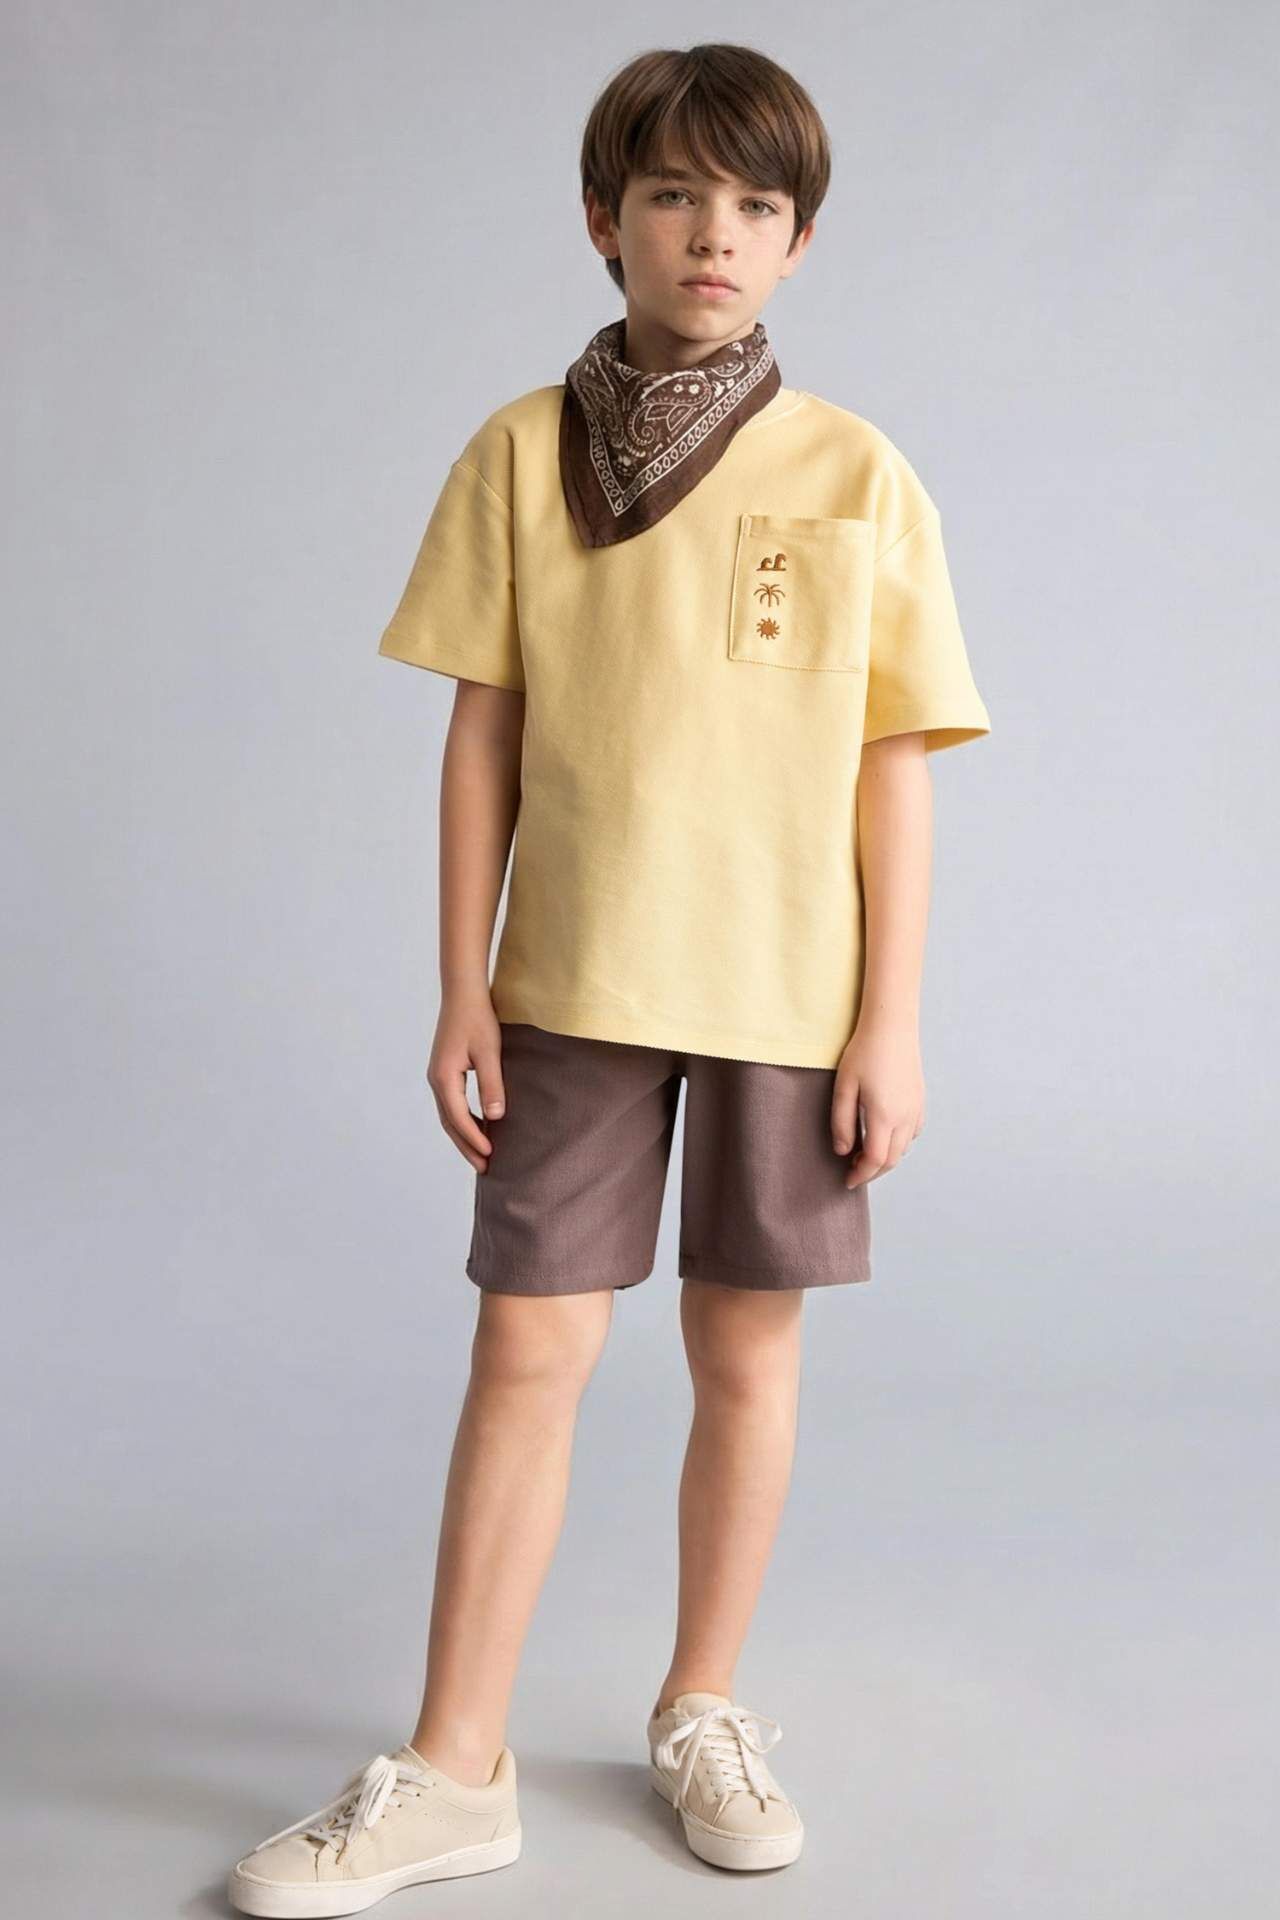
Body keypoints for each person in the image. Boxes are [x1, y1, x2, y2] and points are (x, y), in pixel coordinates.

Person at [228, 39, 991, 1915]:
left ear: (798, 242)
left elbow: (892, 761)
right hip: (571, 978)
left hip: (792, 994)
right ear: (604, 221)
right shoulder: (516, 453)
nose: (712, 233)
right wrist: (461, 983)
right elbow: (482, 733)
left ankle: (701, 1706)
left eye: (754, 205)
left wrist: (892, 1020)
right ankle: (452, 1768)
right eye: (672, 195)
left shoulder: (857, 471)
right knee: (527, 1344)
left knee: (746, 1346)